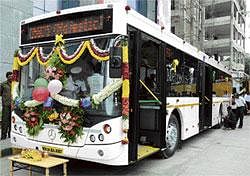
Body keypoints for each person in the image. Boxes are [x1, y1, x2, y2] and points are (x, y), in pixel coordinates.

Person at [0, 72, 12, 139]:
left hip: (13, 105)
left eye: (12, 76)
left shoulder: (14, 84)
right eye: (10, 76)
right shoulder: (3, 84)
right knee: (5, 121)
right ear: (7, 77)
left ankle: (10, 134)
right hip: (6, 105)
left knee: (11, 120)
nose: (11, 77)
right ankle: (3, 135)